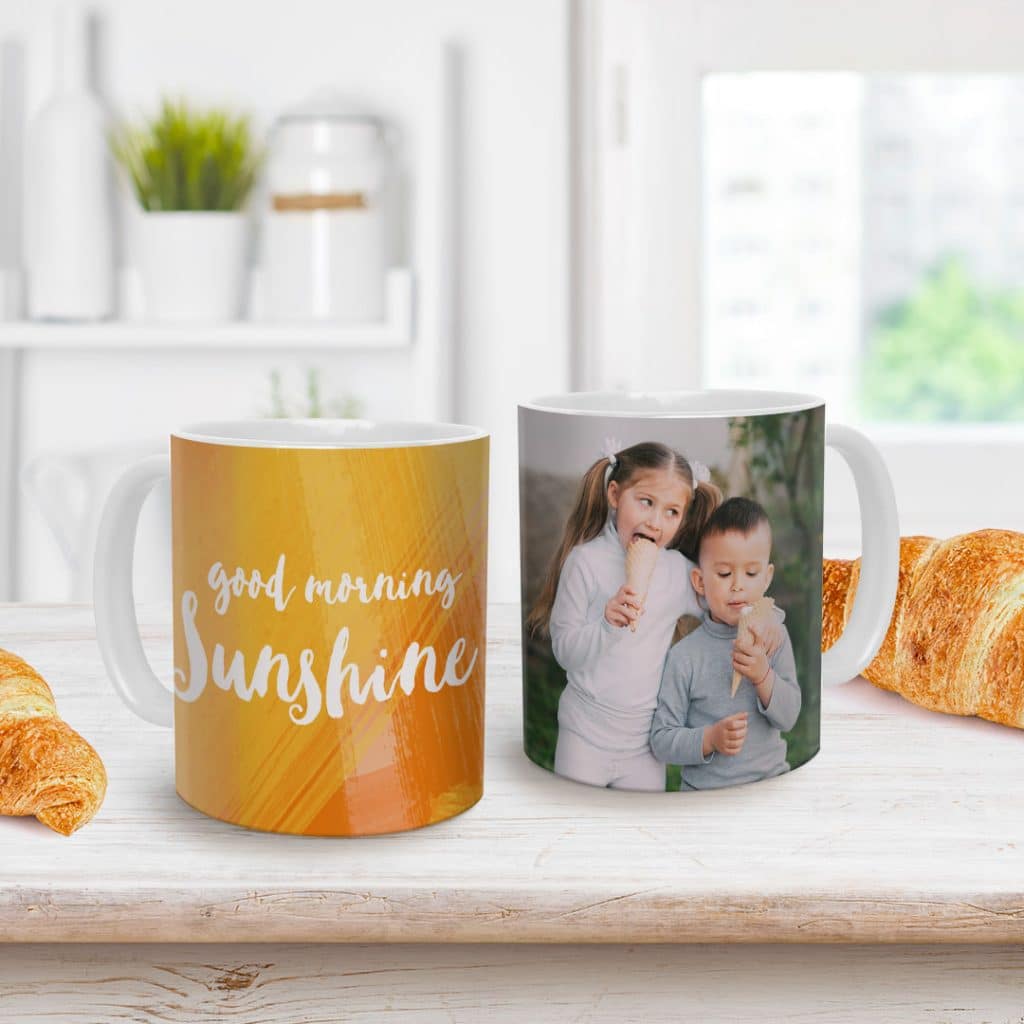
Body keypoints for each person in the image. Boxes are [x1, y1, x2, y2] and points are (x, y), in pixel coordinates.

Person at [527, 441, 783, 791]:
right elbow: (566, 654)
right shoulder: (585, 563)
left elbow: (729, 603)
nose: (655, 521)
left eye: (671, 512)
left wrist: (765, 617)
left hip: (644, 745)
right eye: (646, 502)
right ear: (615, 495)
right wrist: (606, 625)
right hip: (583, 734)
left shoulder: (678, 572)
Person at [649, 497, 801, 789]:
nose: (738, 585)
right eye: (724, 573)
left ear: (767, 577)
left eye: (751, 573)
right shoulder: (685, 656)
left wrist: (763, 676)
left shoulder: (773, 637)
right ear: (700, 581)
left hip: (770, 786)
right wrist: (708, 739)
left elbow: (790, 717)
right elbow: (662, 740)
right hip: (704, 797)